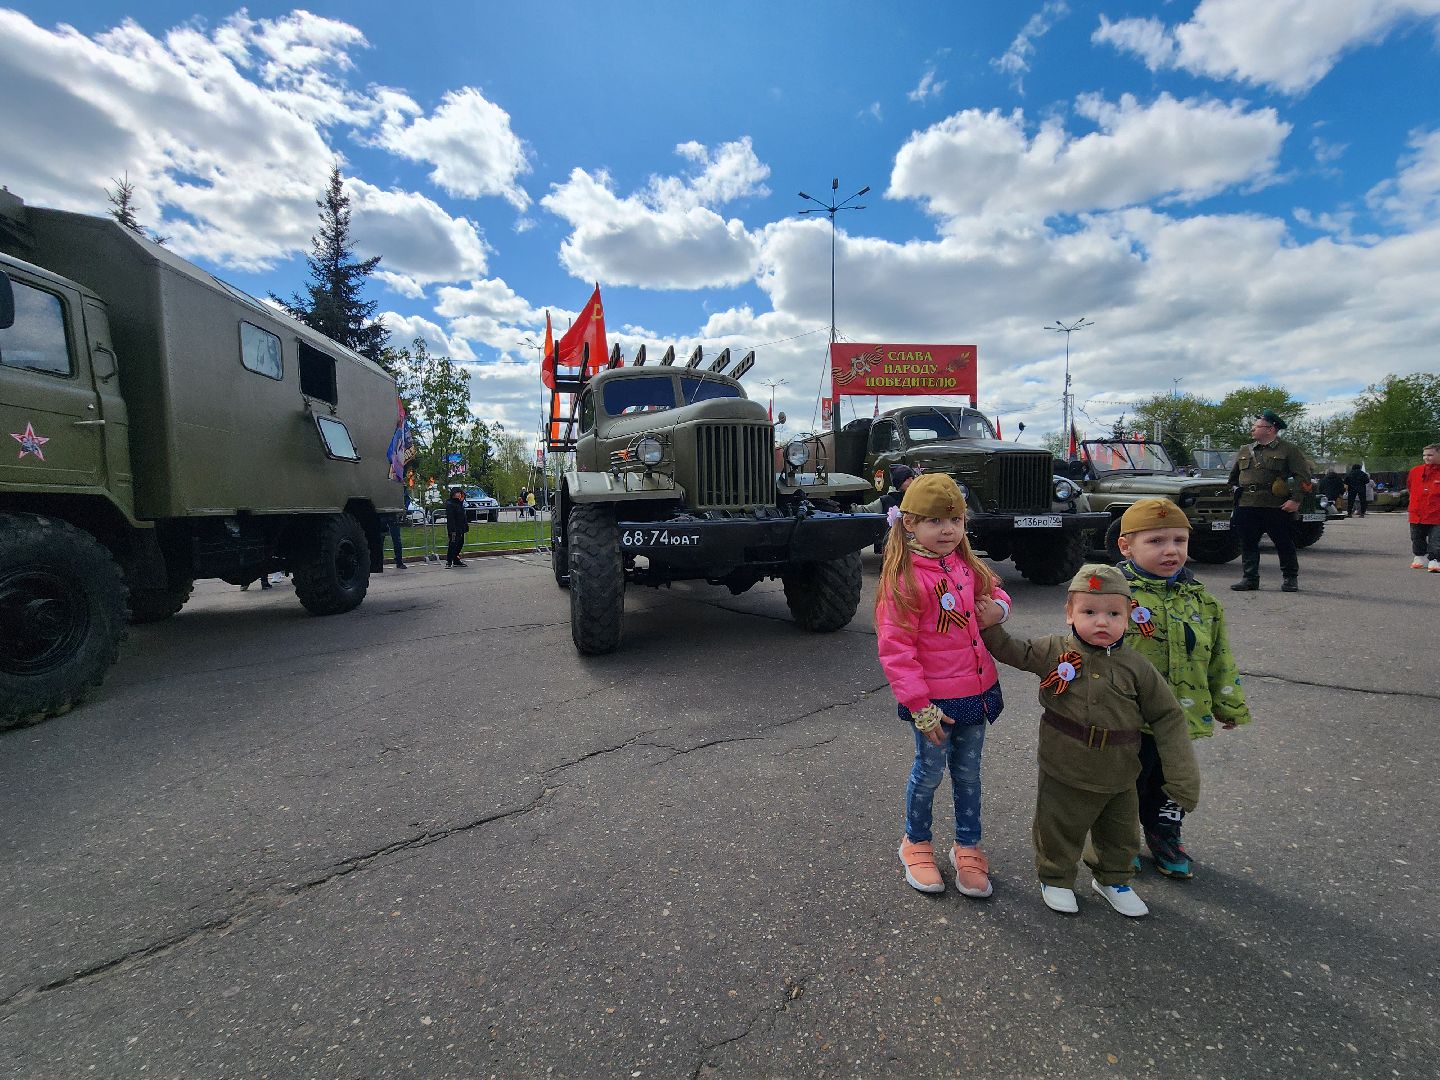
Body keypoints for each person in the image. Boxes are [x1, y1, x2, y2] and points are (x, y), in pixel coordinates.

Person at [979, 565, 1200, 918]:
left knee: (1120, 832)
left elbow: (1168, 717)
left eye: (1113, 613)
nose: (1102, 622)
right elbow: (1014, 651)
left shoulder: (1137, 667)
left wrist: (1182, 777)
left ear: (1128, 617)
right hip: (1063, 764)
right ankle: (1057, 878)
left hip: (1120, 770)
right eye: (1089, 612)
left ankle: (1112, 879)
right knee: (1058, 826)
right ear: (1070, 613)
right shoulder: (1054, 650)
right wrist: (989, 624)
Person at [876, 473, 1011, 899]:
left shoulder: (966, 565)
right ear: (910, 523)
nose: (948, 530)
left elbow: (998, 593)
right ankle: (915, 842)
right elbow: (896, 649)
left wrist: (998, 613)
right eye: (935, 521)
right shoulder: (903, 578)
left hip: (976, 691)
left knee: (969, 775)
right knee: (930, 772)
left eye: (955, 520)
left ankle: (967, 846)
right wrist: (919, 704)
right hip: (933, 702)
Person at [1114, 498, 1251, 878]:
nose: (1171, 550)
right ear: (1126, 547)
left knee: (1171, 784)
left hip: (1179, 715)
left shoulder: (1201, 600)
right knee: (1123, 786)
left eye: (1179, 540)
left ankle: (1164, 835)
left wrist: (1229, 705)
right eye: (1156, 541)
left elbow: (1218, 656)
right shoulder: (1111, 595)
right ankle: (1118, 844)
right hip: (1126, 717)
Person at [1227, 411, 1311, 592]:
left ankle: (1290, 578)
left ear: (1270, 429)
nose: (1252, 429)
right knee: (1248, 543)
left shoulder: (1288, 450)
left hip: (1275, 505)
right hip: (1247, 504)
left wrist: (1296, 500)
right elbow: (1233, 477)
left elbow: (1303, 477)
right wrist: (1235, 490)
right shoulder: (1245, 450)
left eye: (1256, 426)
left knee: (1283, 542)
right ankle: (1250, 578)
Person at [1407, 444, 1440, 572]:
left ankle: (1435, 559)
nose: (1427, 458)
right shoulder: (1415, 471)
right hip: (1417, 511)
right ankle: (1420, 557)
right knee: (1416, 537)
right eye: (1425, 455)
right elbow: (1410, 487)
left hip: (1437, 513)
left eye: (1430, 455)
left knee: (1436, 539)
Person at [444, 488, 469, 567]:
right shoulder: (450, 504)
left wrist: (465, 526)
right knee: (453, 544)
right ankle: (449, 561)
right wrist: (452, 530)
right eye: (457, 493)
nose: (459, 494)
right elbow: (451, 518)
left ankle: (456, 559)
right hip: (454, 528)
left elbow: (462, 516)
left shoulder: (459, 503)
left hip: (461, 527)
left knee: (460, 543)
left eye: (459, 493)